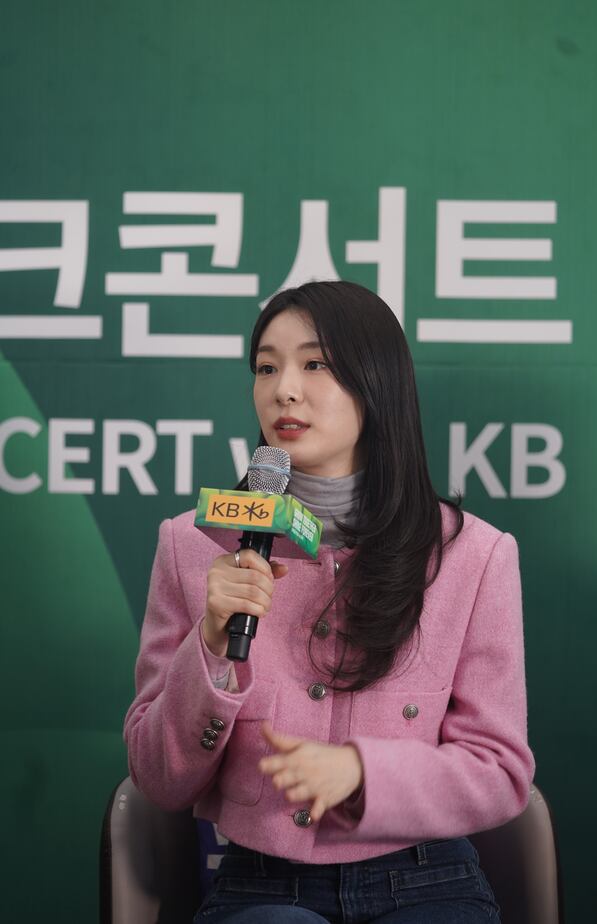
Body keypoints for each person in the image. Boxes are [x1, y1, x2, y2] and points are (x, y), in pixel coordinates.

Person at [124, 280, 535, 924]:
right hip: (262, 886)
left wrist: (362, 773)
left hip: (427, 878)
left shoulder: (473, 555)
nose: (284, 390)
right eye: (266, 367)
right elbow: (158, 777)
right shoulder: (193, 545)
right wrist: (209, 646)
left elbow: (500, 771)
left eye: (315, 364)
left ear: (377, 383)